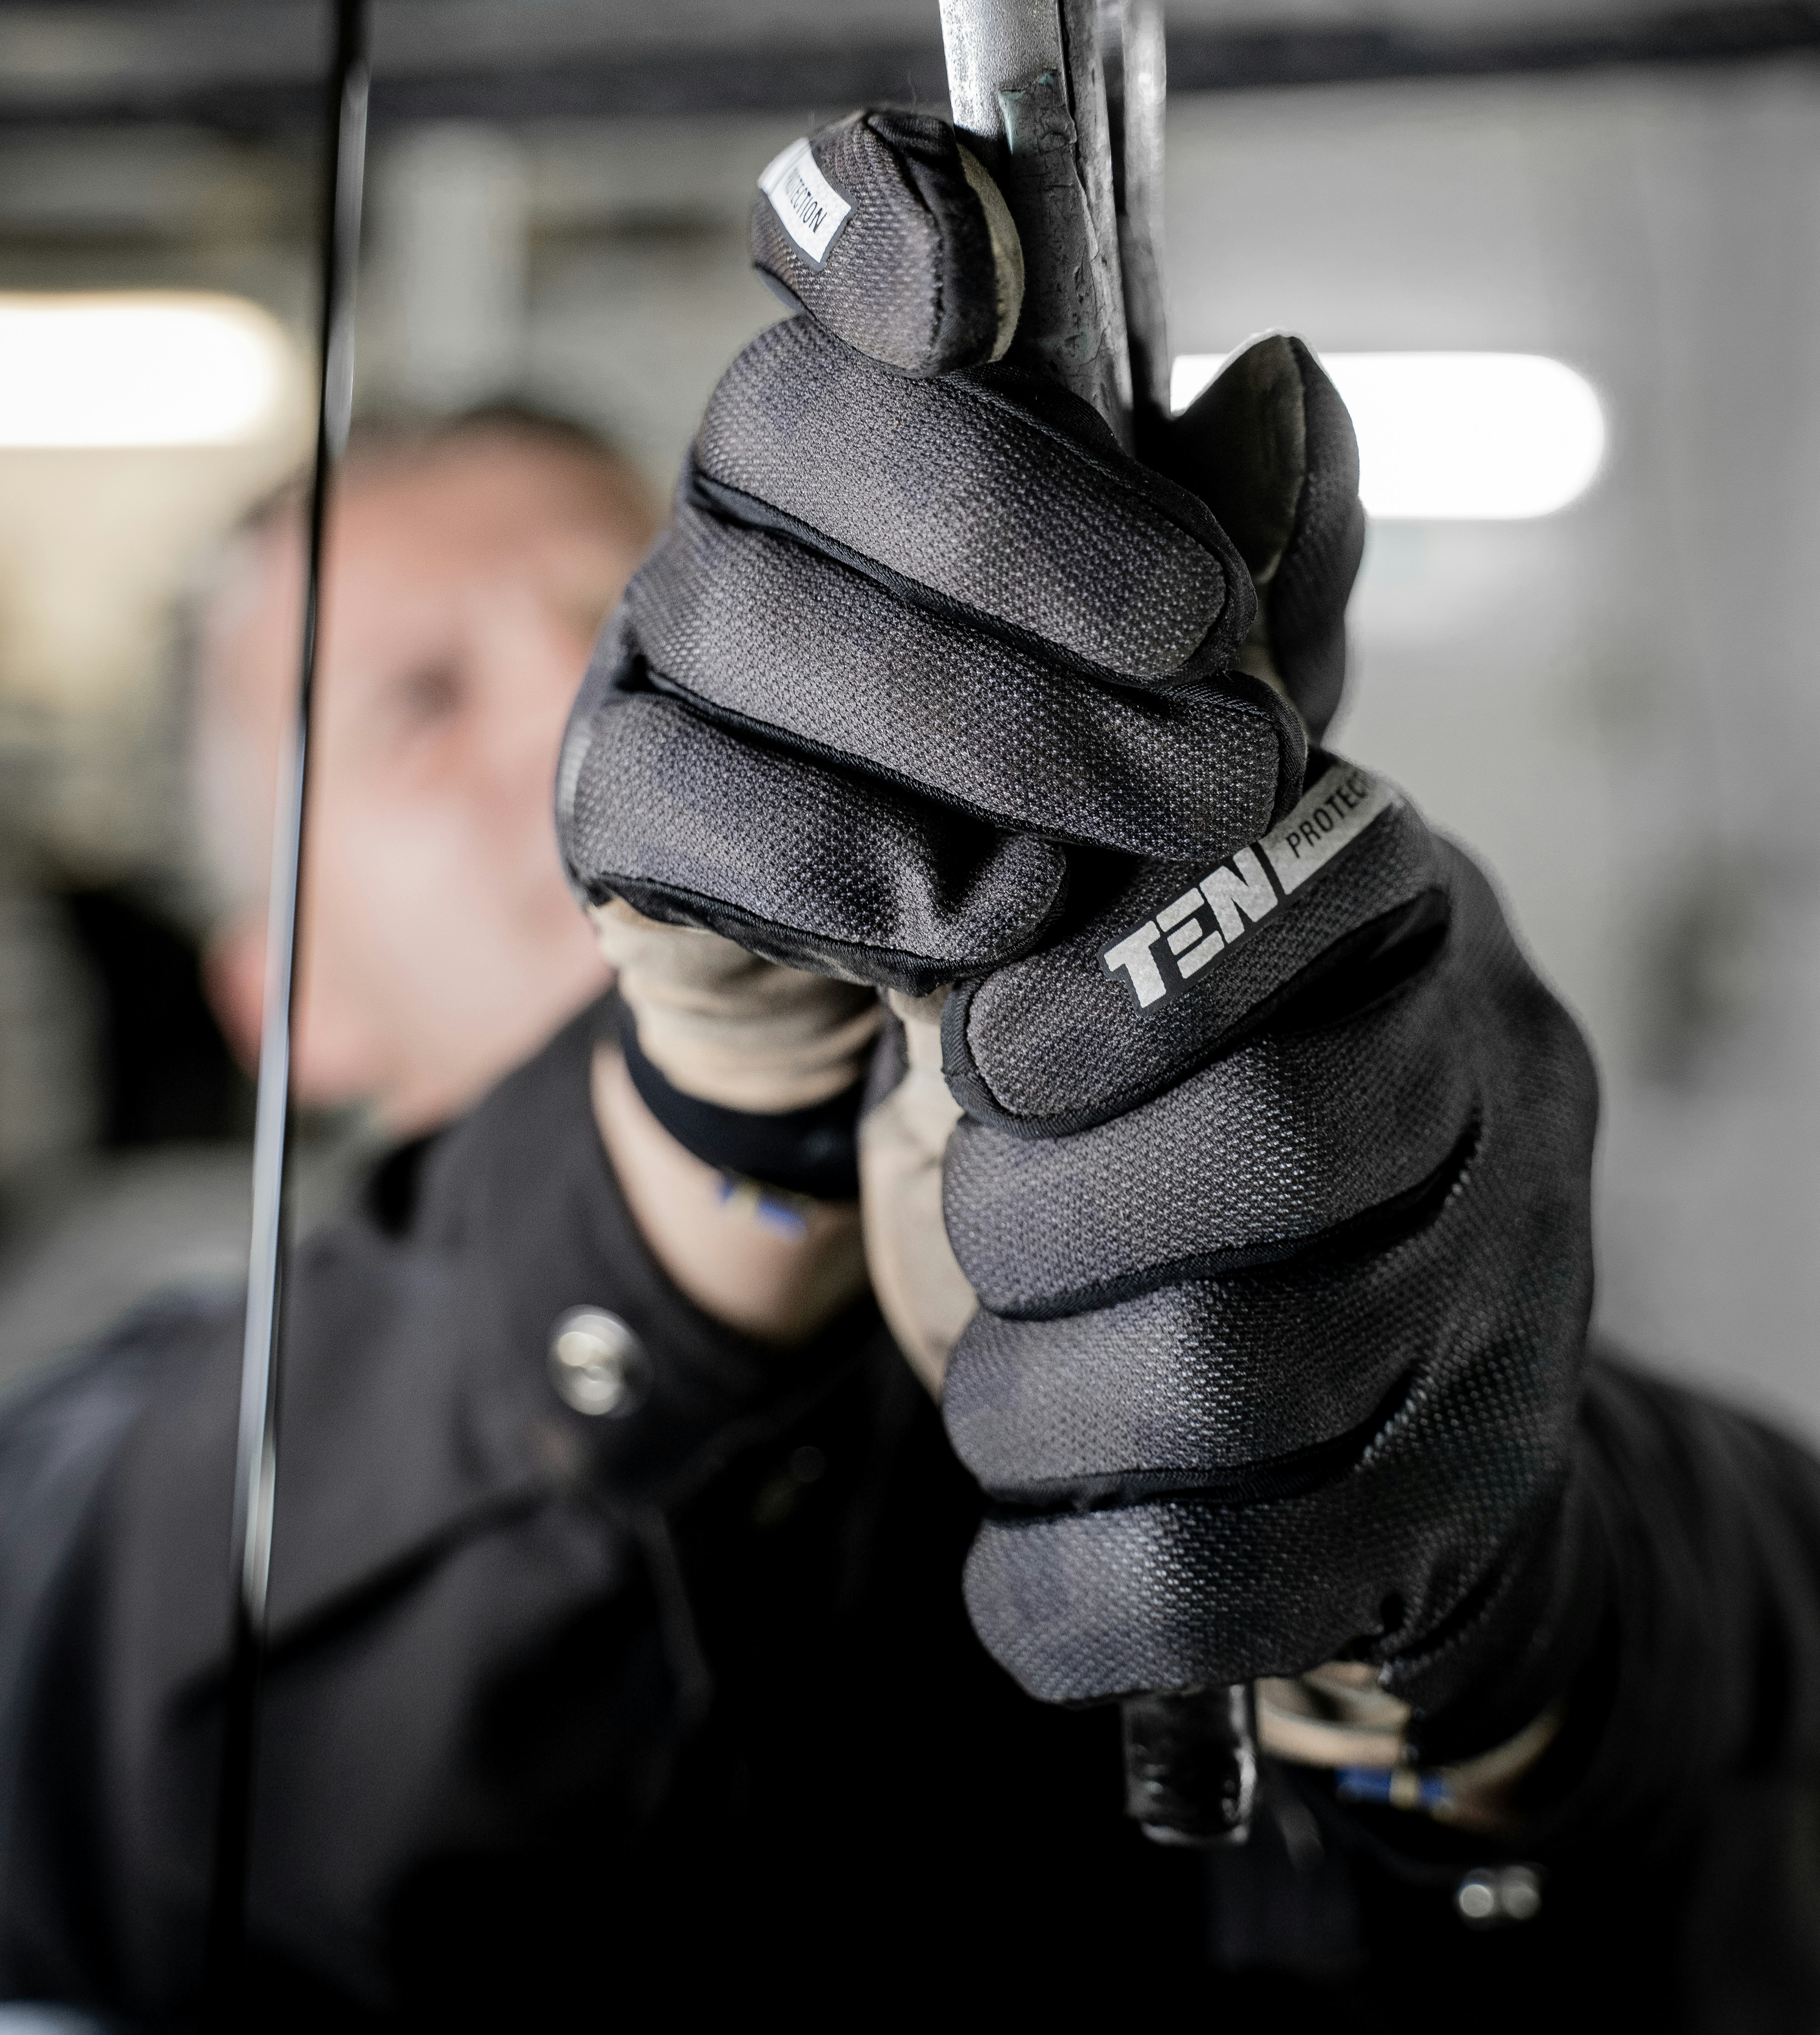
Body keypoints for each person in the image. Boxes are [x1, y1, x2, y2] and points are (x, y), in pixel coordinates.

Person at [1, 132, 1819, 2030]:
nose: (565, 699)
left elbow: (1759, 1678)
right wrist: (708, 1131)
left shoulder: (1325, 1280)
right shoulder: (149, 1456)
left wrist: (1491, 1625)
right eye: (414, 705)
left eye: (617, 623)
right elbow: (118, 1747)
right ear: (286, 1001)